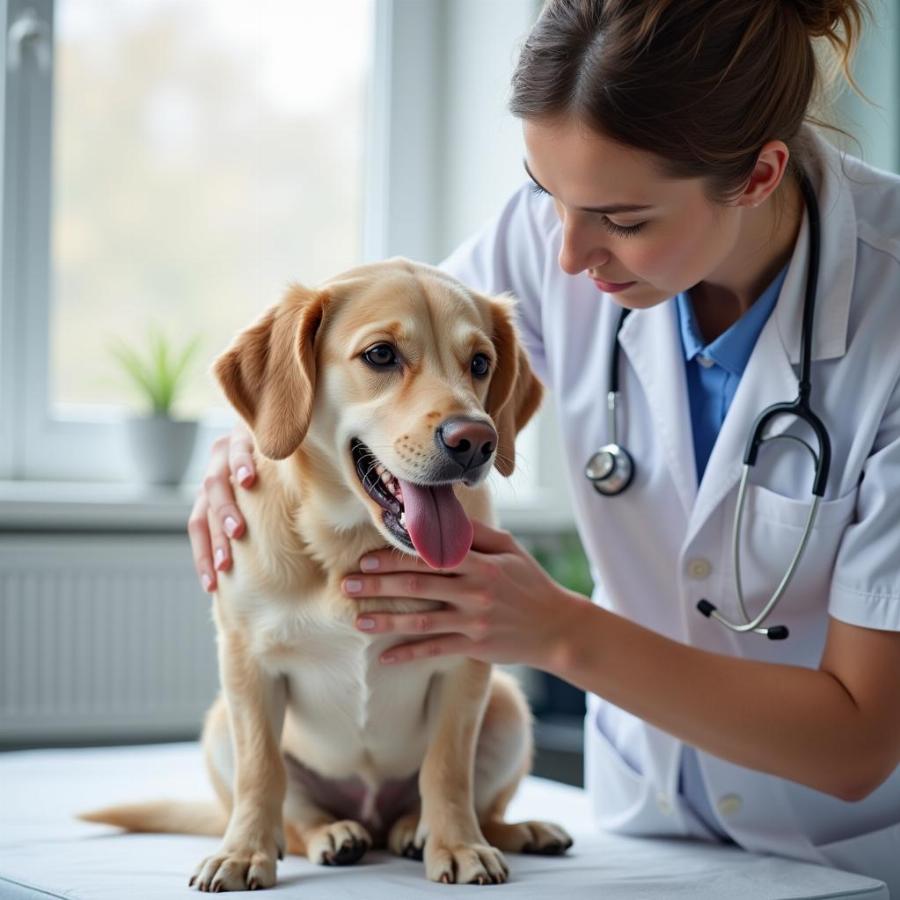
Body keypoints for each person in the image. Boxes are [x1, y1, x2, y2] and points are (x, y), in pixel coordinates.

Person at [188, 0, 900, 891]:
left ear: (758, 176)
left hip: (849, 848)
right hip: (646, 821)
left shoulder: (891, 305)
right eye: (543, 190)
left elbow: (856, 743)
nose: (566, 256)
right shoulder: (558, 234)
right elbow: (373, 355)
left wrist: (557, 631)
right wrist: (247, 440)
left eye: (624, 219)